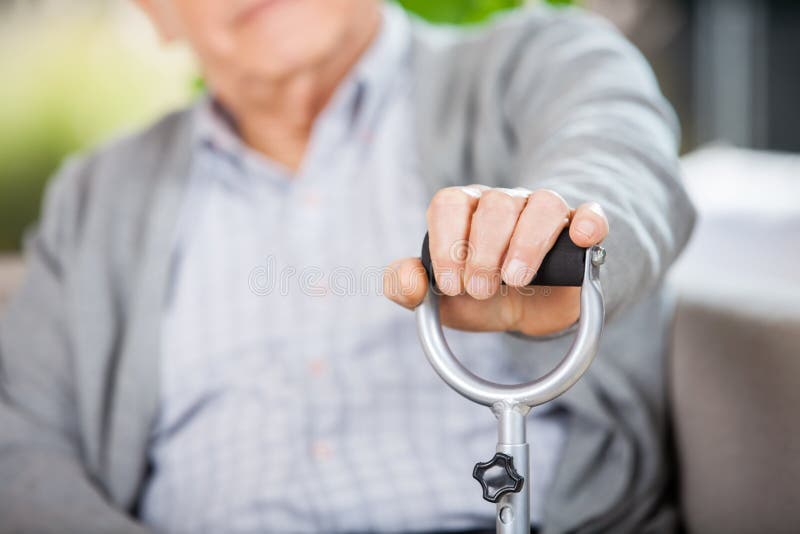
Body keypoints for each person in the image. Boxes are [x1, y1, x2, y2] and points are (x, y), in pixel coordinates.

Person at [0, 0, 695, 532]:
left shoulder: (538, 60)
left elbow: (620, 166)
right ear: (155, 13)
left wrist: (551, 232)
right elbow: (22, 448)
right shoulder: (93, 200)